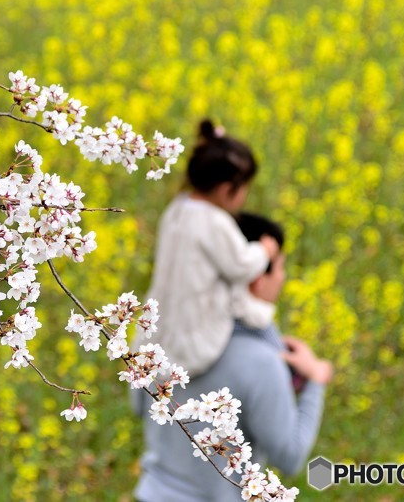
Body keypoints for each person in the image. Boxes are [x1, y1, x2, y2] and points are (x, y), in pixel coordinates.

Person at [132, 215, 333, 502]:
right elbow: (290, 456)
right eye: (280, 268)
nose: (282, 278)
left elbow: (139, 407)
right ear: (256, 277)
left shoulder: (164, 337)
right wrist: (316, 380)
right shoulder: (262, 362)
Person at [139, 120, 280, 375]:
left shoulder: (177, 209)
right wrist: (265, 250)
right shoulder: (215, 221)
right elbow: (240, 266)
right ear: (227, 190)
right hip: (196, 334)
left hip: (163, 322)